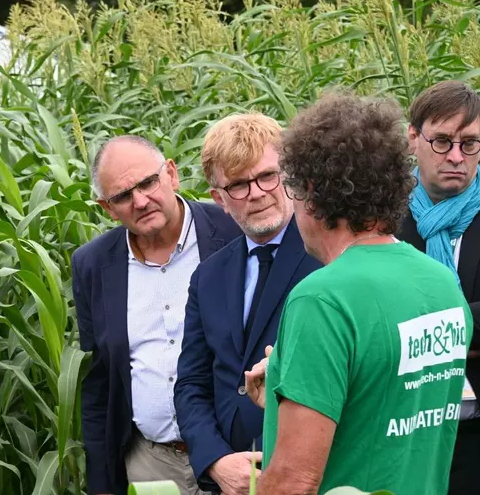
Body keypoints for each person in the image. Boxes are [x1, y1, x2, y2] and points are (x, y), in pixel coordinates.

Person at [245, 93, 473, 495]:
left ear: (312, 193)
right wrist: (292, 378)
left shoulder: (321, 299)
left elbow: (294, 481)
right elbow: (391, 405)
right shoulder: (441, 285)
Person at [72, 135, 242, 495]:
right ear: (107, 208)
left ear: (171, 173)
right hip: (150, 463)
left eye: (148, 182)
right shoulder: (92, 265)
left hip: (233, 455)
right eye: (122, 196)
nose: (140, 201)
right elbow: (101, 381)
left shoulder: (232, 231)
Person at [173, 113, 320, 495]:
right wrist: (216, 461)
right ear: (218, 198)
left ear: (288, 174)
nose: (256, 193)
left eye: (267, 176)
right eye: (238, 185)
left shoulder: (327, 257)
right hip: (229, 481)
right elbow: (192, 383)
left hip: (309, 475)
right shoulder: (208, 276)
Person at [395, 80, 480, 495]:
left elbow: (402, 324)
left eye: (470, 144)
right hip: (402, 426)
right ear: (414, 138)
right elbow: (378, 316)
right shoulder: (383, 217)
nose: (456, 157)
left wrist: (422, 331)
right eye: (442, 141)